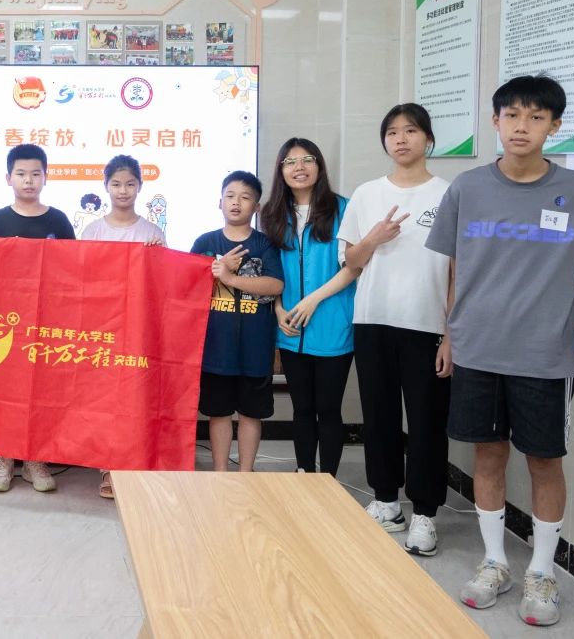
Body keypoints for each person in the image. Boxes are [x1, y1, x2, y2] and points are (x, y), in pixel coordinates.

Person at [427, 76, 574, 626]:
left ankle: (541, 571)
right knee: (487, 456)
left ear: (554, 126)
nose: (521, 126)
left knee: (544, 461)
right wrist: (449, 334)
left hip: (545, 352)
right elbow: (455, 268)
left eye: (536, 117)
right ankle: (495, 562)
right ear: (495, 121)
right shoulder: (466, 188)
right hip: (478, 347)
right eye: (511, 115)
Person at [338, 104, 452, 556]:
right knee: (379, 415)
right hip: (373, 319)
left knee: (427, 421)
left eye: (411, 130)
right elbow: (351, 260)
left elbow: (459, 269)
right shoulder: (367, 194)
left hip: (427, 323)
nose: (401, 139)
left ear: (429, 139)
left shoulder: (449, 194)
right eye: (392, 132)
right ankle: (386, 501)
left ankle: (425, 513)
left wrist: (451, 333)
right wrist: (374, 238)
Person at [0, 143, 74, 493]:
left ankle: (36, 460)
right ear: (8, 178)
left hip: (46, 322)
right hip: (4, 324)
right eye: (21, 173)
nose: (29, 180)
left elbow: (73, 271)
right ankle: (4, 460)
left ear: (46, 177)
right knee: (5, 391)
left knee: (41, 391)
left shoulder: (58, 221)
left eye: (36, 173)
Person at [261, 138, 357, 476]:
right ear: (281, 170)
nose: (299, 168)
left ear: (319, 166)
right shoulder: (272, 213)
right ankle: (304, 474)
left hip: (333, 324)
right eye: (290, 162)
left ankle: (327, 481)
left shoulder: (344, 208)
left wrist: (314, 299)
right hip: (290, 328)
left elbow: (353, 266)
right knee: (301, 408)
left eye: (307, 160)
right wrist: (277, 309)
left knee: (328, 409)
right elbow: (269, 269)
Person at [79, 154, 164, 497]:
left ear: (140, 186)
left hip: (139, 328)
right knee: (105, 400)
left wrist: (157, 256)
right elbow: (82, 279)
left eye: (130, 183)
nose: (123, 190)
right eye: (116, 184)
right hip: (102, 328)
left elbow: (163, 284)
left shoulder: (152, 232)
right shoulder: (93, 231)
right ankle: (108, 467)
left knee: (135, 399)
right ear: (106, 186)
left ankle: (132, 464)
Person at [191, 171, 283, 475]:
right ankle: (220, 472)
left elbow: (275, 285)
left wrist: (230, 278)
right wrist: (215, 269)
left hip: (255, 349)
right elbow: (187, 287)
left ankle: (245, 474)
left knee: (250, 414)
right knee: (218, 414)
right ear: (219, 202)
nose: (236, 202)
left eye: (245, 197)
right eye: (230, 196)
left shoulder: (265, 244)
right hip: (215, 349)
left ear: (256, 207)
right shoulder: (206, 242)